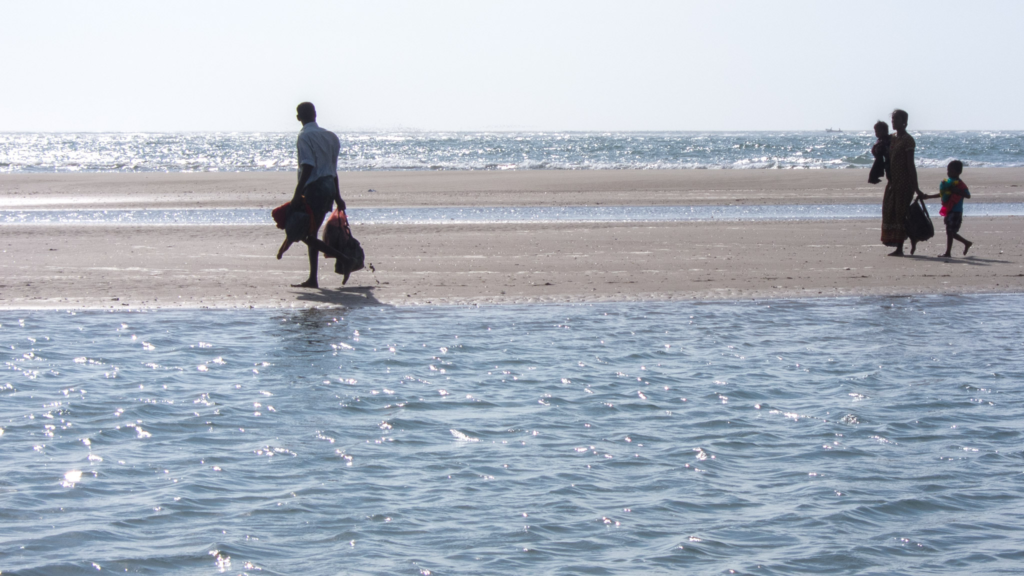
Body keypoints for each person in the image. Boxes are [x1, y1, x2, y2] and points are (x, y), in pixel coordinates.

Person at [277, 101, 348, 288]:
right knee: (311, 233)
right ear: (315, 114)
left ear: (298, 118)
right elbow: (332, 170)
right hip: (329, 187)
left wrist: (297, 193)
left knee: (307, 235)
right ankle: (313, 279)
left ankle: (343, 260)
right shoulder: (330, 136)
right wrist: (337, 196)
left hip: (315, 189)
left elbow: (308, 166)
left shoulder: (304, 136)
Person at [880, 109, 924, 256]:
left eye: (897, 119)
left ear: (904, 122)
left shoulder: (908, 140)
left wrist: (916, 187)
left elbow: (910, 165)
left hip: (904, 183)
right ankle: (907, 239)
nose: (894, 122)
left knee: (901, 213)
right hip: (892, 182)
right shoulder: (892, 138)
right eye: (892, 119)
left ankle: (899, 247)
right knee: (889, 210)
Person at [920, 160, 973, 257]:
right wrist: (928, 197)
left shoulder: (960, 184)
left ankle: (951, 251)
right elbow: (942, 194)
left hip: (956, 211)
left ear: (958, 172)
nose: (948, 173)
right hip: (949, 210)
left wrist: (957, 191)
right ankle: (964, 244)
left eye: (951, 171)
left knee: (950, 232)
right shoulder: (948, 183)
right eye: (948, 170)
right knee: (950, 232)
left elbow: (968, 195)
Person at [868, 120, 890, 184]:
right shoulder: (879, 140)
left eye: (878, 131)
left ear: (885, 131)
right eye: (876, 131)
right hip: (880, 159)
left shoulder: (887, 139)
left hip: (885, 160)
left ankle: (874, 177)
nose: (877, 133)